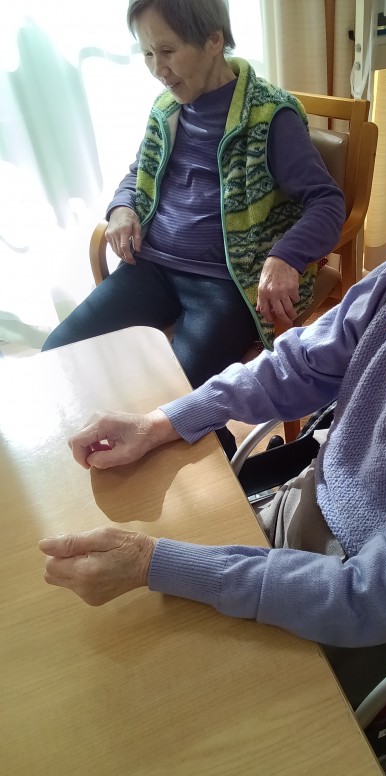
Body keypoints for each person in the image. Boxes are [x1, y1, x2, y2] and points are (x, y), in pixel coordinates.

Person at [40, 115, 386, 698]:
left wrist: (150, 563)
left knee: (168, 696)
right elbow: (298, 364)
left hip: (378, 620)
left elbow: (368, 599)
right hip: (306, 515)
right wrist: (163, 421)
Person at [41, 0, 345, 456]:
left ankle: (221, 468)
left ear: (213, 40)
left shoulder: (271, 116)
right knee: (58, 353)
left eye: (167, 51)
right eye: (147, 53)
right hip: (151, 268)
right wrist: (121, 208)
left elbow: (327, 201)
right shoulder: (166, 108)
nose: (157, 69)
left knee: (169, 404)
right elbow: (138, 173)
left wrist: (286, 256)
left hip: (226, 283)